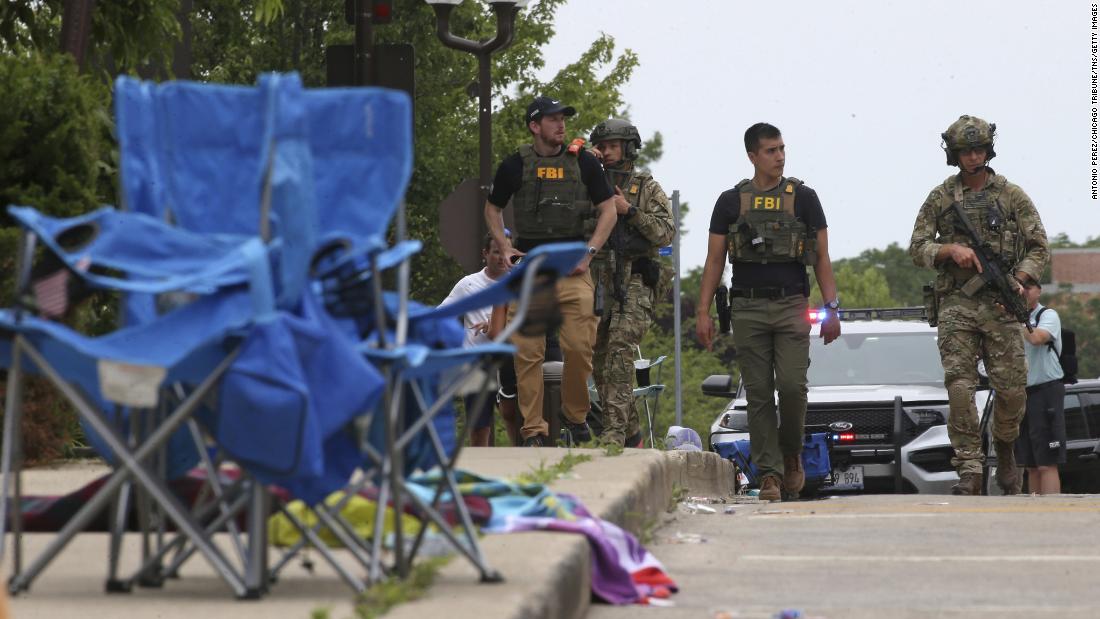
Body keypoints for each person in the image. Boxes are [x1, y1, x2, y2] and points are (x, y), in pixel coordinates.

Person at [696, 123, 840, 501]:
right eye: (771, 150)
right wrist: (702, 311)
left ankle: (791, 453)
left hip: (792, 303)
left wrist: (832, 307)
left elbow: (822, 256)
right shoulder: (731, 201)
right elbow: (714, 260)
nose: (779, 156)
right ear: (752, 156)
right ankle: (770, 474)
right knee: (758, 394)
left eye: (781, 149)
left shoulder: (804, 198)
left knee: (792, 388)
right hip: (747, 307)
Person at [908, 115, 1050, 495]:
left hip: (1002, 307)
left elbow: (1039, 246)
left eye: (980, 149)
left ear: (989, 150)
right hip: (957, 304)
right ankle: (969, 467)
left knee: (1012, 391)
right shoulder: (941, 197)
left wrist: (1020, 280)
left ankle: (1004, 444)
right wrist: (947, 249)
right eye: (966, 151)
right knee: (959, 387)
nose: (974, 157)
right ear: (954, 155)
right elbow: (917, 247)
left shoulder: (1011, 195)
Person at [484, 96, 618, 447]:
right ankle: (533, 429)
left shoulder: (585, 164)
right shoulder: (516, 164)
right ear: (534, 126)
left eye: (563, 118)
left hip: (573, 267)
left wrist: (590, 253)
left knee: (578, 346)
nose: (561, 124)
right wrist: (505, 245)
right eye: (552, 119)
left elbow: (608, 210)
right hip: (530, 268)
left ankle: (575, 414)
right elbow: (492, 208)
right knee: (527, 352)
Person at [588, 118, 674, 447]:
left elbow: (665, 231)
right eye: (603, 146)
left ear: (628, 148)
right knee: (598, 358)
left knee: (620, 351)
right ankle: (632, 435)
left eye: (613, 146)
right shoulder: (590, 183)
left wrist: (630, 211)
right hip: (598, 280)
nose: (608, 152)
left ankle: (612, 434)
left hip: (636, 279)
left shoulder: (646, 187)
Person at [440, 232, 516, 447]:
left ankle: (521, 460)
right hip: (478, 361)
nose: (502, 258)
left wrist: (493, 323)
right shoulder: (468, 284)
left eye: (507, 252)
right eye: (496, 252)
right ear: (485, 254)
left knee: (513, 414)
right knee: (479, 423)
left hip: (511, 360)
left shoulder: (519, 283)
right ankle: (480, 463)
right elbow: (443, 313)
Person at [1018, 280, 1066, 494]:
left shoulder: (1047, 315)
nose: (1023, 291)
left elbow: (1037, 338)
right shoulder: (1011, 318)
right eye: (1019, 287)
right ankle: (1033, 514)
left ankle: (1052, 513)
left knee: (1047, 461)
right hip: (1021, 393)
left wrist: (1016, 318)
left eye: (1028, 287)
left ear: (1039, 290)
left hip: (1045, 390)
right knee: (1031, 464)